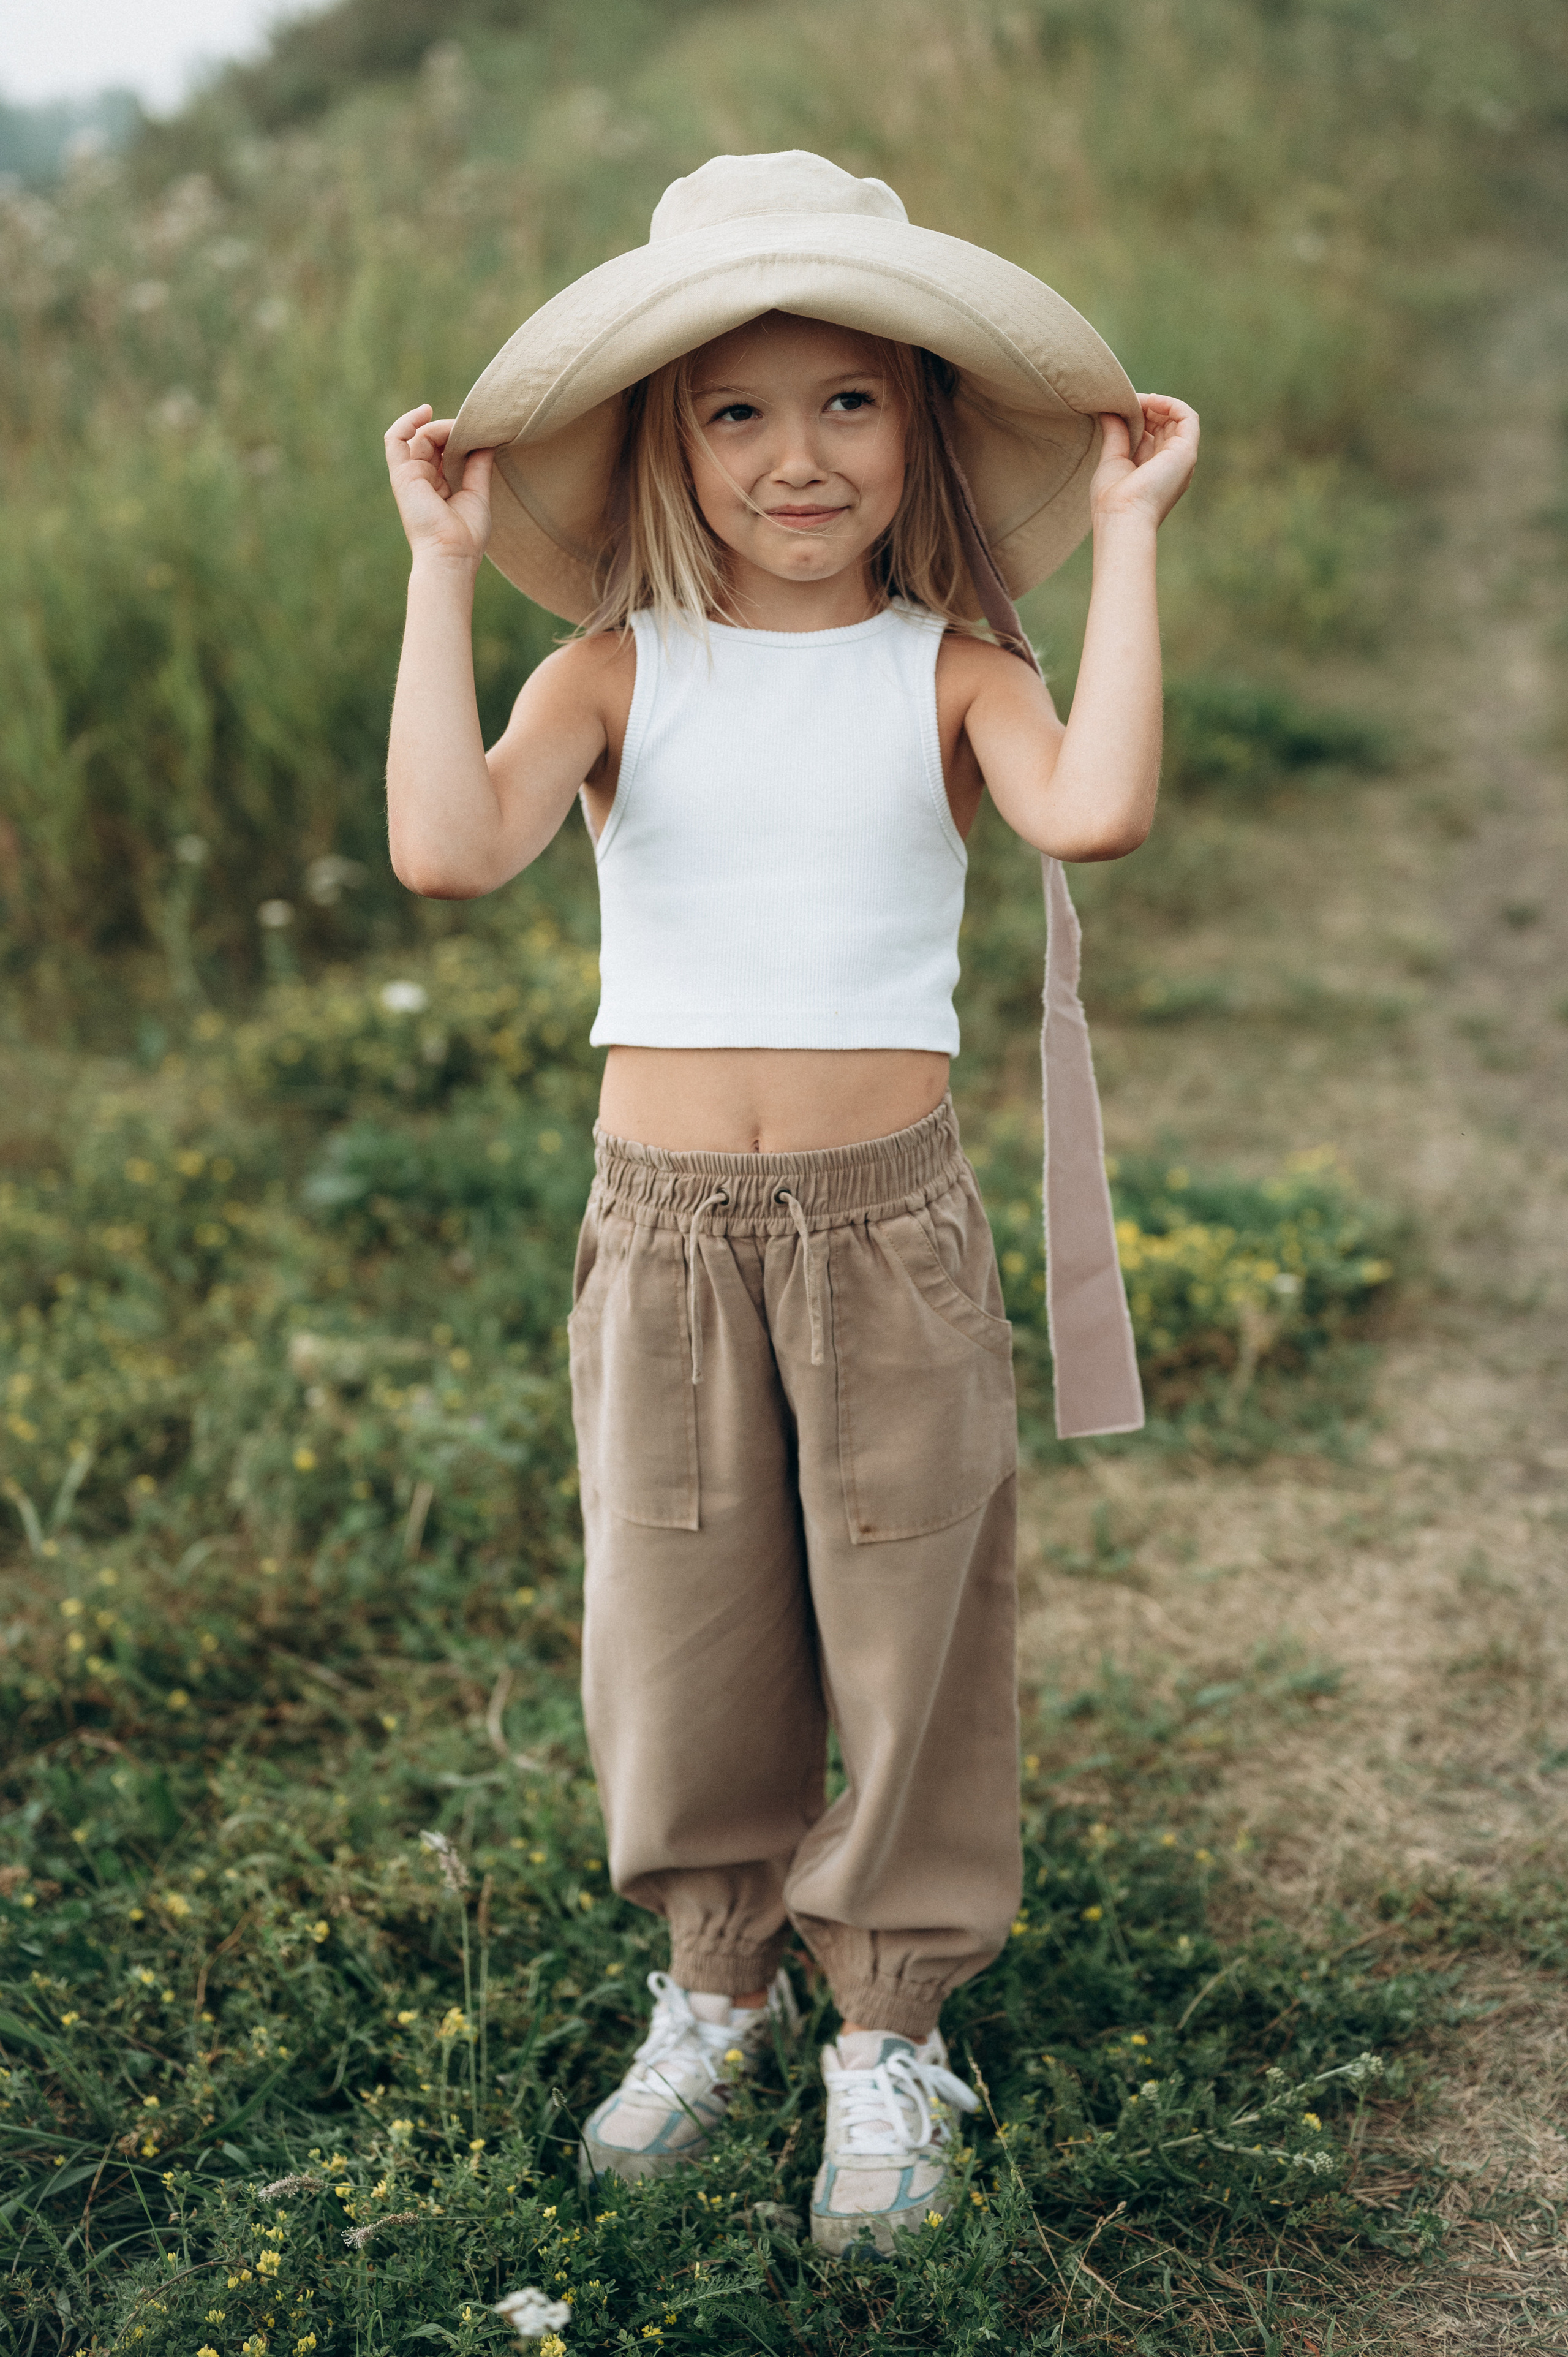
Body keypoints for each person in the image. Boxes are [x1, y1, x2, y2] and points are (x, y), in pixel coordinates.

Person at [383, 149, 1197, 2254]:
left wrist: (1119, 538)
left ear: (919, 421)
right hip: (659, 1235)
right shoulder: (619, 672)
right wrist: (441, 573)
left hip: (884, 1233)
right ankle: (712, 1981)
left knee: (915, 1623)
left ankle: (893, 2025)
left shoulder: (948, 670)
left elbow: (1092, 811)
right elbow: (448, 851)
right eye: (736, 410)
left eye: (847, 398)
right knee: (682, 1623)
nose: (795, 453)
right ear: (670, 438)